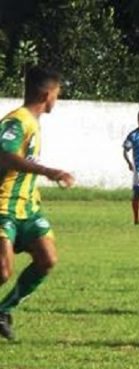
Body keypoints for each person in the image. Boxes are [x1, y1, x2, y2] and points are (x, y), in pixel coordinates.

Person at [0, 67, 75, 340]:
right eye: (57, 94)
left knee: (47, 259)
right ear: (46, 94)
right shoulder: (17, 121)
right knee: (3, 271)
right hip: (3, 205)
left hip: (29, 208)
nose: (57, 99)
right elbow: (5, 156)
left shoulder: (34, 121)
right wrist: (48, 171)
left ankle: (3, 310)